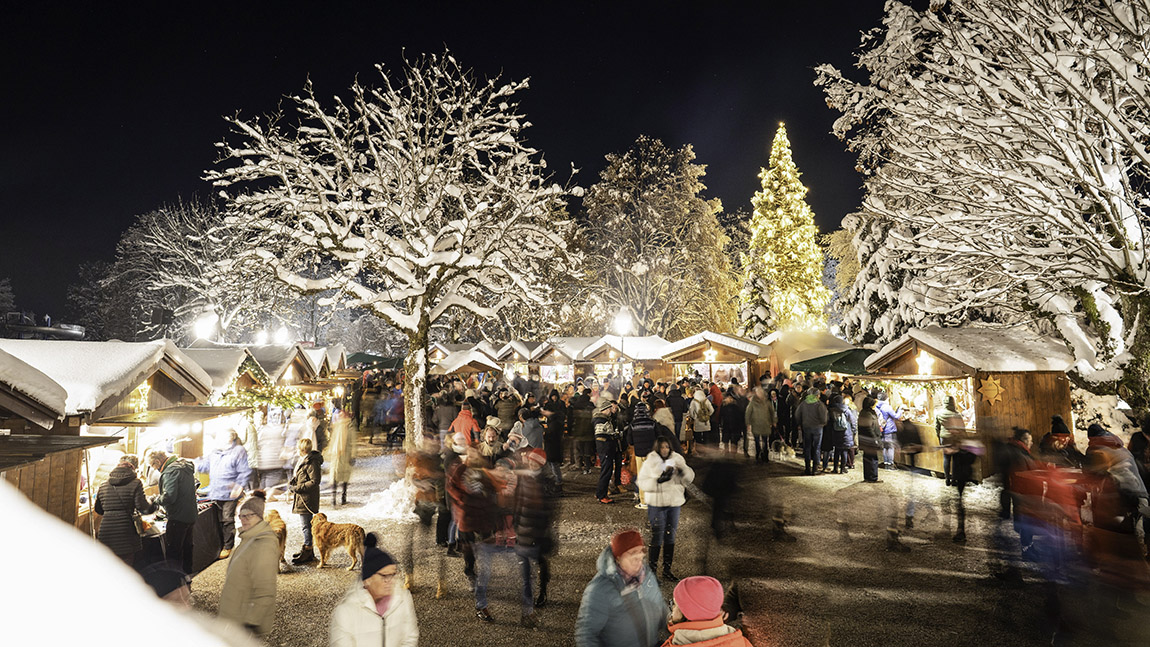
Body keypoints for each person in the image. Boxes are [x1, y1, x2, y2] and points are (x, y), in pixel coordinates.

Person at [575, 529, 668, 647]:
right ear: (618, 558)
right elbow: (586, 634)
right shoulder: (600, 588)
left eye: (641, 551)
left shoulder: (647, 576)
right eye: (632, 553)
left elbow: (661, 609)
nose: (639, 557)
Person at [329, 534, 419, 647]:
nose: (390, 581)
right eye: (384, 576)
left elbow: (410, 636)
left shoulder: (403, 599)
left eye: (393, 574)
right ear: (368, 580)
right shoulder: (346, 611)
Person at [218, 491, 279, 637]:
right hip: (236, 615)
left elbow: (265, 588)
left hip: (245, 621)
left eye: (249, 515)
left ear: (259, 516)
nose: (243, 520)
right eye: (241, 516)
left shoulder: (262, 544)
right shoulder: (247, 539)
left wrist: (252, 622)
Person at [637, 437, 694, 581]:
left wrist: (682, 472)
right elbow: (641, 482)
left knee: (670, 537)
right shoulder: (650, 461)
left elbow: (690, 477)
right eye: (662, 447)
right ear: (657, 447)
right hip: (657, 505)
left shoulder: (677, 459)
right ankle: (652, 573)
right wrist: (658, 481)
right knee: (657, 537)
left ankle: (667, 570)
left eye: (667, 447)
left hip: (673, 504)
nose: (665, 450)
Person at [513, 448, 558, 627]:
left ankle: (543, 589)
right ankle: (528, 601)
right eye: (530, 461)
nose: (531, 464)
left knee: (540, 559)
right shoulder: (524, 478)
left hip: (539, 528)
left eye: (535, 462)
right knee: (525, 564)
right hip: (523, 526)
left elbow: (550, 508)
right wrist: (516, 521)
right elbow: (517, 500)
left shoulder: (547, 481)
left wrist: (544, 527)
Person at [196, 429, 252, 558]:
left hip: (230, 493)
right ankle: (219, 545)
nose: (217, 440)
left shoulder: (238, 451)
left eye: (220, 437)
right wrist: (192, 462)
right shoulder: (214, 453)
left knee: (227, 519)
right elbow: (204, 466)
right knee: (217, 520)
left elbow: (245, 471)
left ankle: (228, 546)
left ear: (230, 439)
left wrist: (239, 486)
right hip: (215, 492)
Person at [662, 576, 752, 646]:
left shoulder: (675, 643)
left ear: (687, 612)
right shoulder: (742, 642)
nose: (672, 608)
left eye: (674, 604)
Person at [94, 456, 152, 565]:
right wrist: (152, 504)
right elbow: (141, 506)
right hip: (125, 530)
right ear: (133, 469)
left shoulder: (103, 485)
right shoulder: (136, 483)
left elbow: (98, 509)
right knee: (125, 565)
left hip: (106, 531)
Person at [148, 449, 198, 574]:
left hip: (177, 517)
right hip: (190, 514)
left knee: (174, 552)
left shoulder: (170, 471)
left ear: (158, 461)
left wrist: (155, 500)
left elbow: (169, 496)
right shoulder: (184, 466)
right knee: (187, 547)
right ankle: (187, 576)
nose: (154, 469)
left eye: (153, 465)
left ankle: (175, 580)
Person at [289, 438, 323, 566]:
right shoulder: (304, 460)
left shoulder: (311, 462)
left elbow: (314, 481)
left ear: (302, 449)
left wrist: (297, 488)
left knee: (306, 526)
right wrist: (293, 483)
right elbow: (301, 476)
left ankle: (308, 550)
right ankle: (308, 548)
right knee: (306, 525)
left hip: (307, 499)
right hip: (303, 497)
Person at [627, 402, 659, 509]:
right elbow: (658, 436)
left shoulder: (633, 424)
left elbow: (630, 441)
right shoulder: (652, 423)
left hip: (639, 453)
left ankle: (644, 501)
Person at [593, 396, 622, 504]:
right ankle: (602, 495)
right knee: (606, 471)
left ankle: (599, 493)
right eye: (610, 408)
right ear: (605, 409)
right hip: (605, 448)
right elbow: (600, 436)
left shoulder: (604, 420)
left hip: (606, 448)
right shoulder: (601, 420)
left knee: (606, 471)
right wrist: (612, 437)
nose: (611, 411)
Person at [793, 388, 828, 475]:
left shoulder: (803, 404)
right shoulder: (820, 404)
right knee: (817, 448)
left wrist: (800, 423)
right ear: (817, 395)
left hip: (806, 427)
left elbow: (797, 414)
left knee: (807, 447)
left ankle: (807, 468)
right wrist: (823, 424)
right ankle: (815, 468)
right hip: (817, 428)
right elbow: (824, 417)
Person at [328, 408, 355, 506]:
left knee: (345, 477)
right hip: (336, 456)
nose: (341, 416)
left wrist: (353, 455)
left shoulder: (349, 427)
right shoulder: (337, 426)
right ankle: (333, 498)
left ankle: (343, 496)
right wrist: (329, 451)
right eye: (340, 415)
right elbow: (333, 440)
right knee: (334, 477)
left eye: (342, 415)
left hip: (346, 455)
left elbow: (353, 442)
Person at [744, 387, 776, 463]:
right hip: (756, 424)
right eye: (758, 392)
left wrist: (774, 421)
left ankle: (765, 454)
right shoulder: (752, 403)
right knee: (757, 440)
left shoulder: (767, 402)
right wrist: (748, 423)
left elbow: (772, 412)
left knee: (765, 440)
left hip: (765, 424)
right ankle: (758, 452)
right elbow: (748, 413)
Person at [571, 389, 597, 475]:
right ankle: (587, 467)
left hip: (579, 432)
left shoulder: (576, 405)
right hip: (589, 432)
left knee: (580, 450)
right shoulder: (590, 406)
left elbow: (572, 418)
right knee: (587, 451)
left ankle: (580, 465)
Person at [856, 397, 882, 482]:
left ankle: (869, 476)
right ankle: (872, 477)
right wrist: (874, 438)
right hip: (869, 440)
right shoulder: (867, 414)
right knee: (872, 458)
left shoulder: (867, 412)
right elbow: (868, 428)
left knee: (869, 458)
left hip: (868, 439)